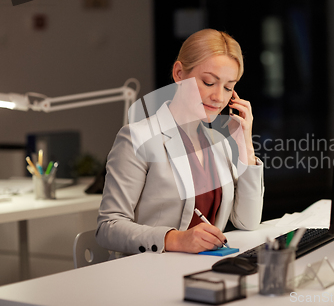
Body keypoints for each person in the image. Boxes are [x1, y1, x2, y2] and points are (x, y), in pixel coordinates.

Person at [96, 29, 264, 258]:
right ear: (179, 73)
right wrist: (175, 238)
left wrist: (246, 143)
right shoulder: (137, 137)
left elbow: (248, 221)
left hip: (204, 270)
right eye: (208, 82)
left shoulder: (220, 144)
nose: (219, 97)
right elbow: (108, 227)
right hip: (151, 275)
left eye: (228, 87)